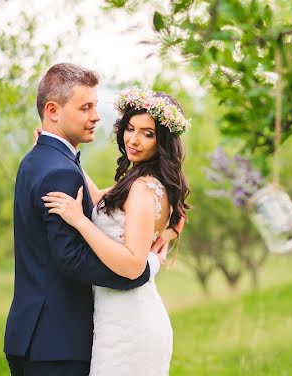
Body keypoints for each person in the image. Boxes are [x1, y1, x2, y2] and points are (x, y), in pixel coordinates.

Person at [4, 64, 178, 376]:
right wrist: (147, 266)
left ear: (162, 141)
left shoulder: (36, 162)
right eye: (86, 107)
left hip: (108, 327)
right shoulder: (62, 168)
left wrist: (145, 262)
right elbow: (95, 207)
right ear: (53, 111)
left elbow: (126, 241)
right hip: (57, 340)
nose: (96, 116)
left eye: (148, 133)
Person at [43, 86, 191, 376]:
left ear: (162, 141)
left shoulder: (142, 188)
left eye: (147, 134)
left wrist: (79, 221)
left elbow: (134, 265)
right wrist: (62, 151)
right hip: (117, 318)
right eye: (130, 128)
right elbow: (99, 199)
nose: (133, 140)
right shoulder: (142, 180)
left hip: (130, 325)